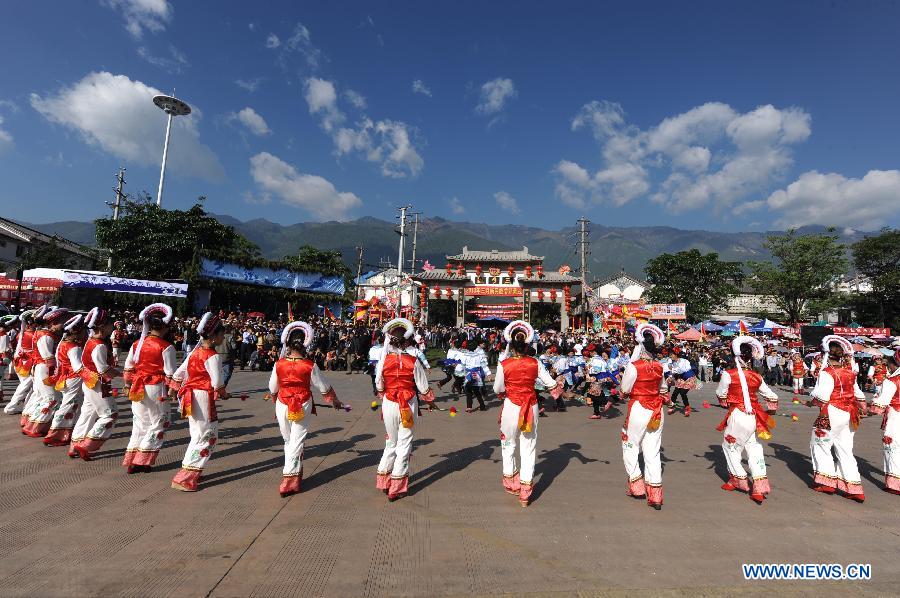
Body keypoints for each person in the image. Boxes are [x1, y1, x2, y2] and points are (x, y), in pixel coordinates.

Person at [268, 321, 341, 497]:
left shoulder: (279, 364)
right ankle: (289, 479)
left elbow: (272, 388)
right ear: (306, 343)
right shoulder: (309, 365)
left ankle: (294, 473)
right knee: (296, 441)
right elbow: (324, 387)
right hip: (302, 402)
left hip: (282, 403)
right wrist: (335, 401)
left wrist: (275, 399)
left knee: (288, 440)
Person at [493, 320, 558, 507]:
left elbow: (498, 388)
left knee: (508, 444)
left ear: (511, 345)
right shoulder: (535, 362)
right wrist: (558, 391)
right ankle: (525, 492)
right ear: (528, 343)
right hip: (530, 406)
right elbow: (550, 383)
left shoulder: (503, 364)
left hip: (511, 406)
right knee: (528, 446)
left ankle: (512, 483)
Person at [375, 318, 435, 501]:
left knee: (391, 442)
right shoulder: (413, 361)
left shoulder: (383, 360)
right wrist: (430, 400)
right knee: (404, 443)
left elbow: (379, 385)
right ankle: (396, 485)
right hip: (407, 403)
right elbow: (423, 387)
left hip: (389, 403)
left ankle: (384, 479)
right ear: (407, 340)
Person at [715, 336, 779, 504]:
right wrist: (770, 409)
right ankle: (759, 486)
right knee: (753, 448)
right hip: (753, 416)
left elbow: (721, 394)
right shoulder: (756, 376)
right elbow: (771, 396)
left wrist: (725, 401)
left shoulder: (728, 374)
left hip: (738, 414)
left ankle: (739, 479)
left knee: (730, 447)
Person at [170, 312, 228, 492]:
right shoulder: (213, 356)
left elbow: (179, 373)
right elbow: (217, 382)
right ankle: (187, 475)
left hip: (190, 395)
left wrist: (173, 388)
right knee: (208, 435)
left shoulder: (195, 352)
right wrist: (223, 393)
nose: (223, 337)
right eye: (221, 334)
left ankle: (190, 470)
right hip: (203, 395)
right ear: (213, 335)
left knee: (197, 433)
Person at [809, 335, 867, 502]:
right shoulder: (850, 372)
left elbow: (822, 397)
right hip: (848, 413)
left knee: (820, 444)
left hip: (831, 412)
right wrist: (863, 407)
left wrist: (811, 402)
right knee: (845, 449)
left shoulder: (827, 373)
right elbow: (858, 394)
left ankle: (827, 482)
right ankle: (854, 487)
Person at [122, 303, 178, 473]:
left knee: (140, 422)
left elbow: (128, 367)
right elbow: (171, 373)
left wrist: (127, 385)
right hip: (156, 386)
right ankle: (143, 459)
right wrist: (173, 390)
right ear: (165, 327)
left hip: (137, 385)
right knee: (158, 422)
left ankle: (132, 460)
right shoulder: (166, 347)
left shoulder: (137, 344)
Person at [620, 324, 668, 510]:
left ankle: (637, 485)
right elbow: (663, 389)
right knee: (653, 450)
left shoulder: (634, 366)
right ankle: (655, 495)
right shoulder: (659, 367)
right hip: (656, 409)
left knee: (630, 444)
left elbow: (625, 389)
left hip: (639, 408)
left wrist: (623, 392)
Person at [70, 307, 120, 460]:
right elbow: (103, 370)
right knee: (110, 414)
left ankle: (75, 444)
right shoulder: (99, 345)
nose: (112, 326)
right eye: (110, 323)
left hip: (90, 382)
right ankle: (86, 445)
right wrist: (124, 374)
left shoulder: (90, 342)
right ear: (103, 326)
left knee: (88, 413)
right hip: (97, 384)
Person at [22, 307, 69, 438]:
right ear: (53, 322)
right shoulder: (45, 335)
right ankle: (35, 426)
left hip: (41, 367)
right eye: (62, 321)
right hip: (45, 368)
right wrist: (55, 374)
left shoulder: (45, 333)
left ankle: (32, 423)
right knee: (51, 399)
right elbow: (48, 357)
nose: (64, 324)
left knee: (43, 397)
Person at [43, 314, 88, 446]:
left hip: (65, 378)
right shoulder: (74, 347)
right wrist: (93, 376)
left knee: (72, 405)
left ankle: (66, 432)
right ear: (77, 331)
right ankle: (54, 433)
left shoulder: (63, 343)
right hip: (73, 379)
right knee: (68, 405)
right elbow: (78, 367)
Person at [871, 350, 900, 495]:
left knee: (892, 448)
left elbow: (881, 404)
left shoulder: (892, 381)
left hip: (896, 416)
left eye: (889, 363)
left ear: (894, 364)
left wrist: (866, 412)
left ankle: (895, 485)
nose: (887, 366)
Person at [4, 311, 34, 415]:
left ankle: (24, 406)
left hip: (21, 362)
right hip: (25, 364)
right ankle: (12, 406)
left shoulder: (23, 333)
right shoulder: (30, 334)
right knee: (25, 385)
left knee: (28, 386)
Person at [667, 348, 696, 417]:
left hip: (689, 377)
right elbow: (672, 371)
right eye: (670, 355)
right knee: (675, 392)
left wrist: (674, 370)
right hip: (681, 378)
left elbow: (683, 369)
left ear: (676, 355)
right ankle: (672, 406)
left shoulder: (684, 361)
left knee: (683, 393)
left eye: (672, 355)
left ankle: (687, 408)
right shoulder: (673, 363)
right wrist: (670, 376)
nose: (670, 356)